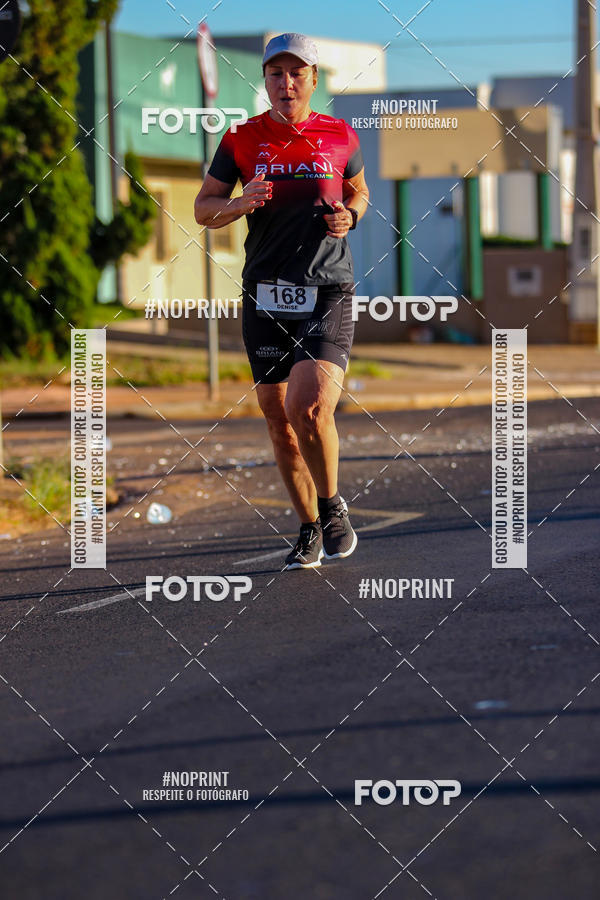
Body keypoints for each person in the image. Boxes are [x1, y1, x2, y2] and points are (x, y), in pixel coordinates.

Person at [194, 33, 369, 570]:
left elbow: (359, 191)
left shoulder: (340, 134)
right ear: (265, 80)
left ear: (314, 79)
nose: (286, 83)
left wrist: (352, 215)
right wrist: (238, 202)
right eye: (276, 74)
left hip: (326, 288)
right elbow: (203, 208)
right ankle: (309, 526)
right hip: (265, 294)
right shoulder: (241, 139)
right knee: (280, 423)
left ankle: (332, 506)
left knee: (307, 408)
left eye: (296, 73)